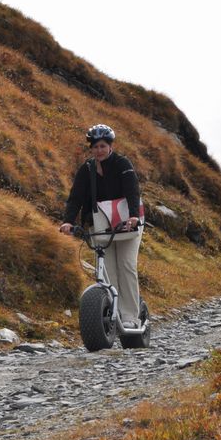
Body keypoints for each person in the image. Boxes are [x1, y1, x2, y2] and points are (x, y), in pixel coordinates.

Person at [59, 124, 143, 327]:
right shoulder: (86, 169)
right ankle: (115, 314)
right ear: (91, 149)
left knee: (126, 266)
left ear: (110, 146)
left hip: (128, 221)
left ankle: (131, 316)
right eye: (95, 147)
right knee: (107, 271)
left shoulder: (122, 163)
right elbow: (76, 197)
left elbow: (132, 191)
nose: (99, 150)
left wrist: (133, 216)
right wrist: (68, 221)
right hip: (100, 223)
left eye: (103, 146)